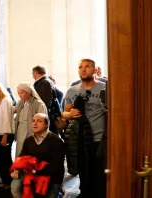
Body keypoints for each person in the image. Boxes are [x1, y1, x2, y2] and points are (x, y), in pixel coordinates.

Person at [62, 58, 106, 198]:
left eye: (87, 66)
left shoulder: (104, 88)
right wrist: (70, 114)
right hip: (80, 138)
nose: (83, 69)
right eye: (81, 67)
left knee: (98, 172)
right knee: (83, 171)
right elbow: (64, 114)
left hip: (99, 138)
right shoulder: (72, 90)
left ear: (94, 70)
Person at [11, 113, 65, 198]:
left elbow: (57, 166)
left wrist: (35, 172)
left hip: (51, 176)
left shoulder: (56, 141)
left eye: (39, 121)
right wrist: (17, 169)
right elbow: (21, 158)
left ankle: (59, 193)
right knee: (15, 186)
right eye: (33, 121)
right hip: (31, 173)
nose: (35, 123)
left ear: (47, 124)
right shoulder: (28, 140)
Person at [14, 83, 47, 158]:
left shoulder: (39, 104)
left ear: (29, 92)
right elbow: (12, 110)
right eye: (18, 93)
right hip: (20, 131)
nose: (20, 95)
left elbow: (43, 120)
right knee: (20, 152)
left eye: (22, 93)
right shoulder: (21, 102)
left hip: (32, 132)